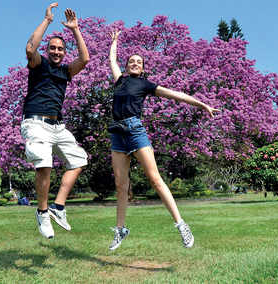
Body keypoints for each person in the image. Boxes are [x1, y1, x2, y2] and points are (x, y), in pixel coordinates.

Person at [107, 30, 220, 250]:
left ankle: (181, 225)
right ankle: (121, 230)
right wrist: (114, 42)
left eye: (139, 62)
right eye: (131, 61)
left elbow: (175, 94)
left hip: (135, 131)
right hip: (117, 135)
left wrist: (202, 104)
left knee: (155, 180)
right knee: (121, 186)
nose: (135, 63)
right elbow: (112, 60)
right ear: (127, 65)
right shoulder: (119, 81)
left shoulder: (146, 85)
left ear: (143, 67)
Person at [21, 3, 90, 239]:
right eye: (53, 48)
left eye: (60, 49)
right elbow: (31, 48)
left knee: (79, 160)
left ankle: (58, 208)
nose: (57, 52)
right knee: (45, 163)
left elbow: (85, 58)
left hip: (57, 125)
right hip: (35, 122)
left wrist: (75, 29)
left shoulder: (66, 72)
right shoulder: (39, 65)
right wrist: (47, 20)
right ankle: (42, 212)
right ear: (48, 50)